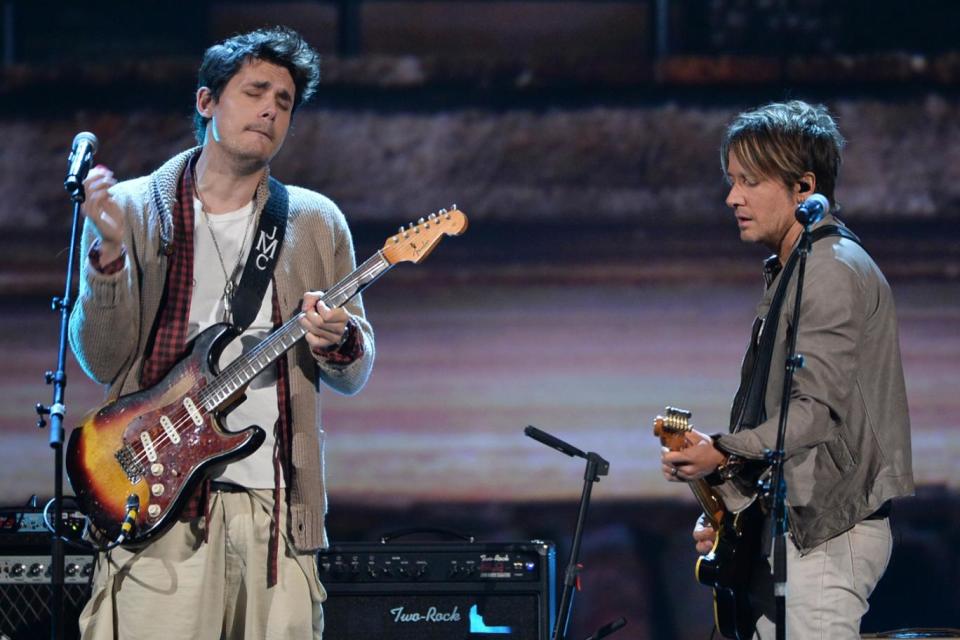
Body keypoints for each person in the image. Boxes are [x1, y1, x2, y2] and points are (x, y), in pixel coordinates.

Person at [68, 26, 374, 639]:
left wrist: (338, 340)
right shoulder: (128, 210)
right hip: (156, 507)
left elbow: (354, 369)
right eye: (255, 91)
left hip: (275, 513)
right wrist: (107, 255)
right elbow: (101, 360)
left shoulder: (315, 223)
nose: (269, 109)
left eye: (284, 101)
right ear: (207, 102)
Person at [660, 100, 914, 639]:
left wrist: (722, 449)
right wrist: (726, 505)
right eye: (732, 181)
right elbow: (779, 428)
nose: (733, 197)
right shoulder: (793, 271)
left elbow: (811, 416)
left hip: (827, 536)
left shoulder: (831, 272)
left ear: (804, 186)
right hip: (790, 534)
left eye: (749, 181)